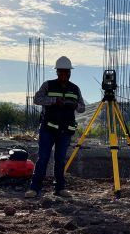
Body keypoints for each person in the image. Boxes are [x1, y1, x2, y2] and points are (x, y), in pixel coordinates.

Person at [25, 56, 85, 198]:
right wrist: (54, 101)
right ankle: (35, 188)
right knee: (43, 158)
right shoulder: (48, 85)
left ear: (70, 73)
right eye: (62, 72)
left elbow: (82, 108)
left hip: (65, 130)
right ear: (57, 72)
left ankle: (60, 188)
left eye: (67, 72)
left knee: (60, 159)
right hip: (48, 129)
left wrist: (75, 105)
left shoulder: (75, 89)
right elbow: (37, 99)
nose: (64, 74)